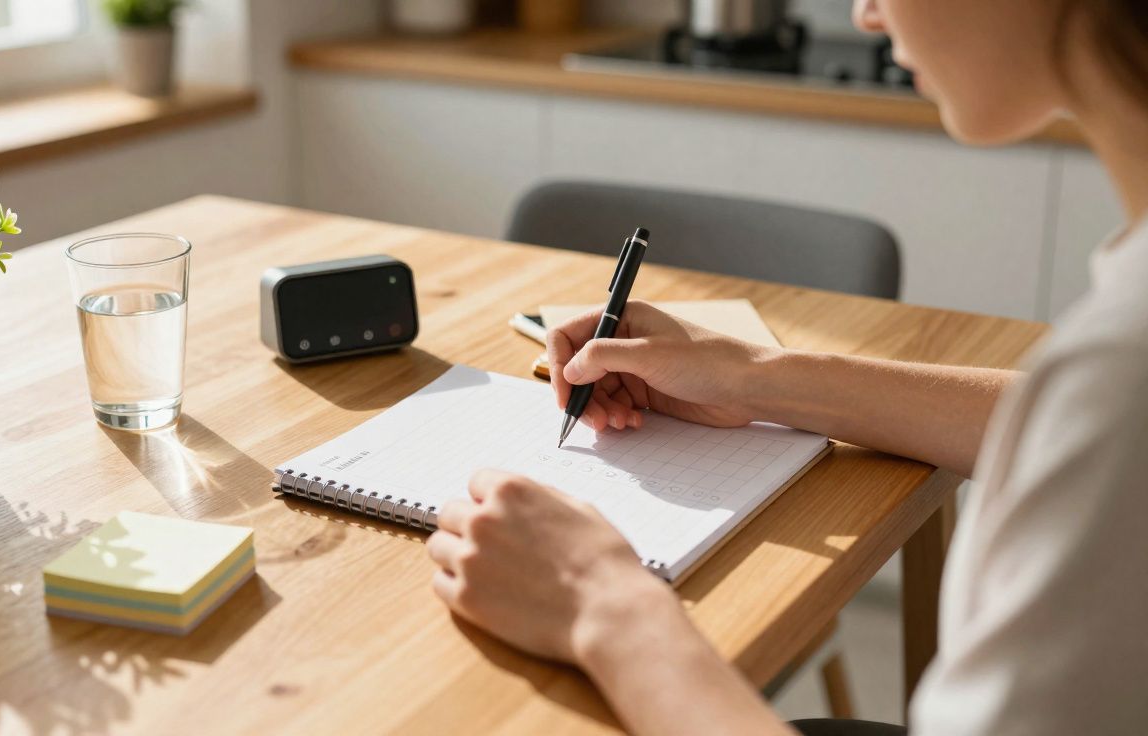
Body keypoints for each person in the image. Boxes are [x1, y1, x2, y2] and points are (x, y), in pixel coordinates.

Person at [423, 1, 1148, 734]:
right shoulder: (1115, 367)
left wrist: (604, 604)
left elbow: (1100, 418)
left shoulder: (1120, 375)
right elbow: (1055, 423)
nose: (865, 13)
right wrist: (751, 375)